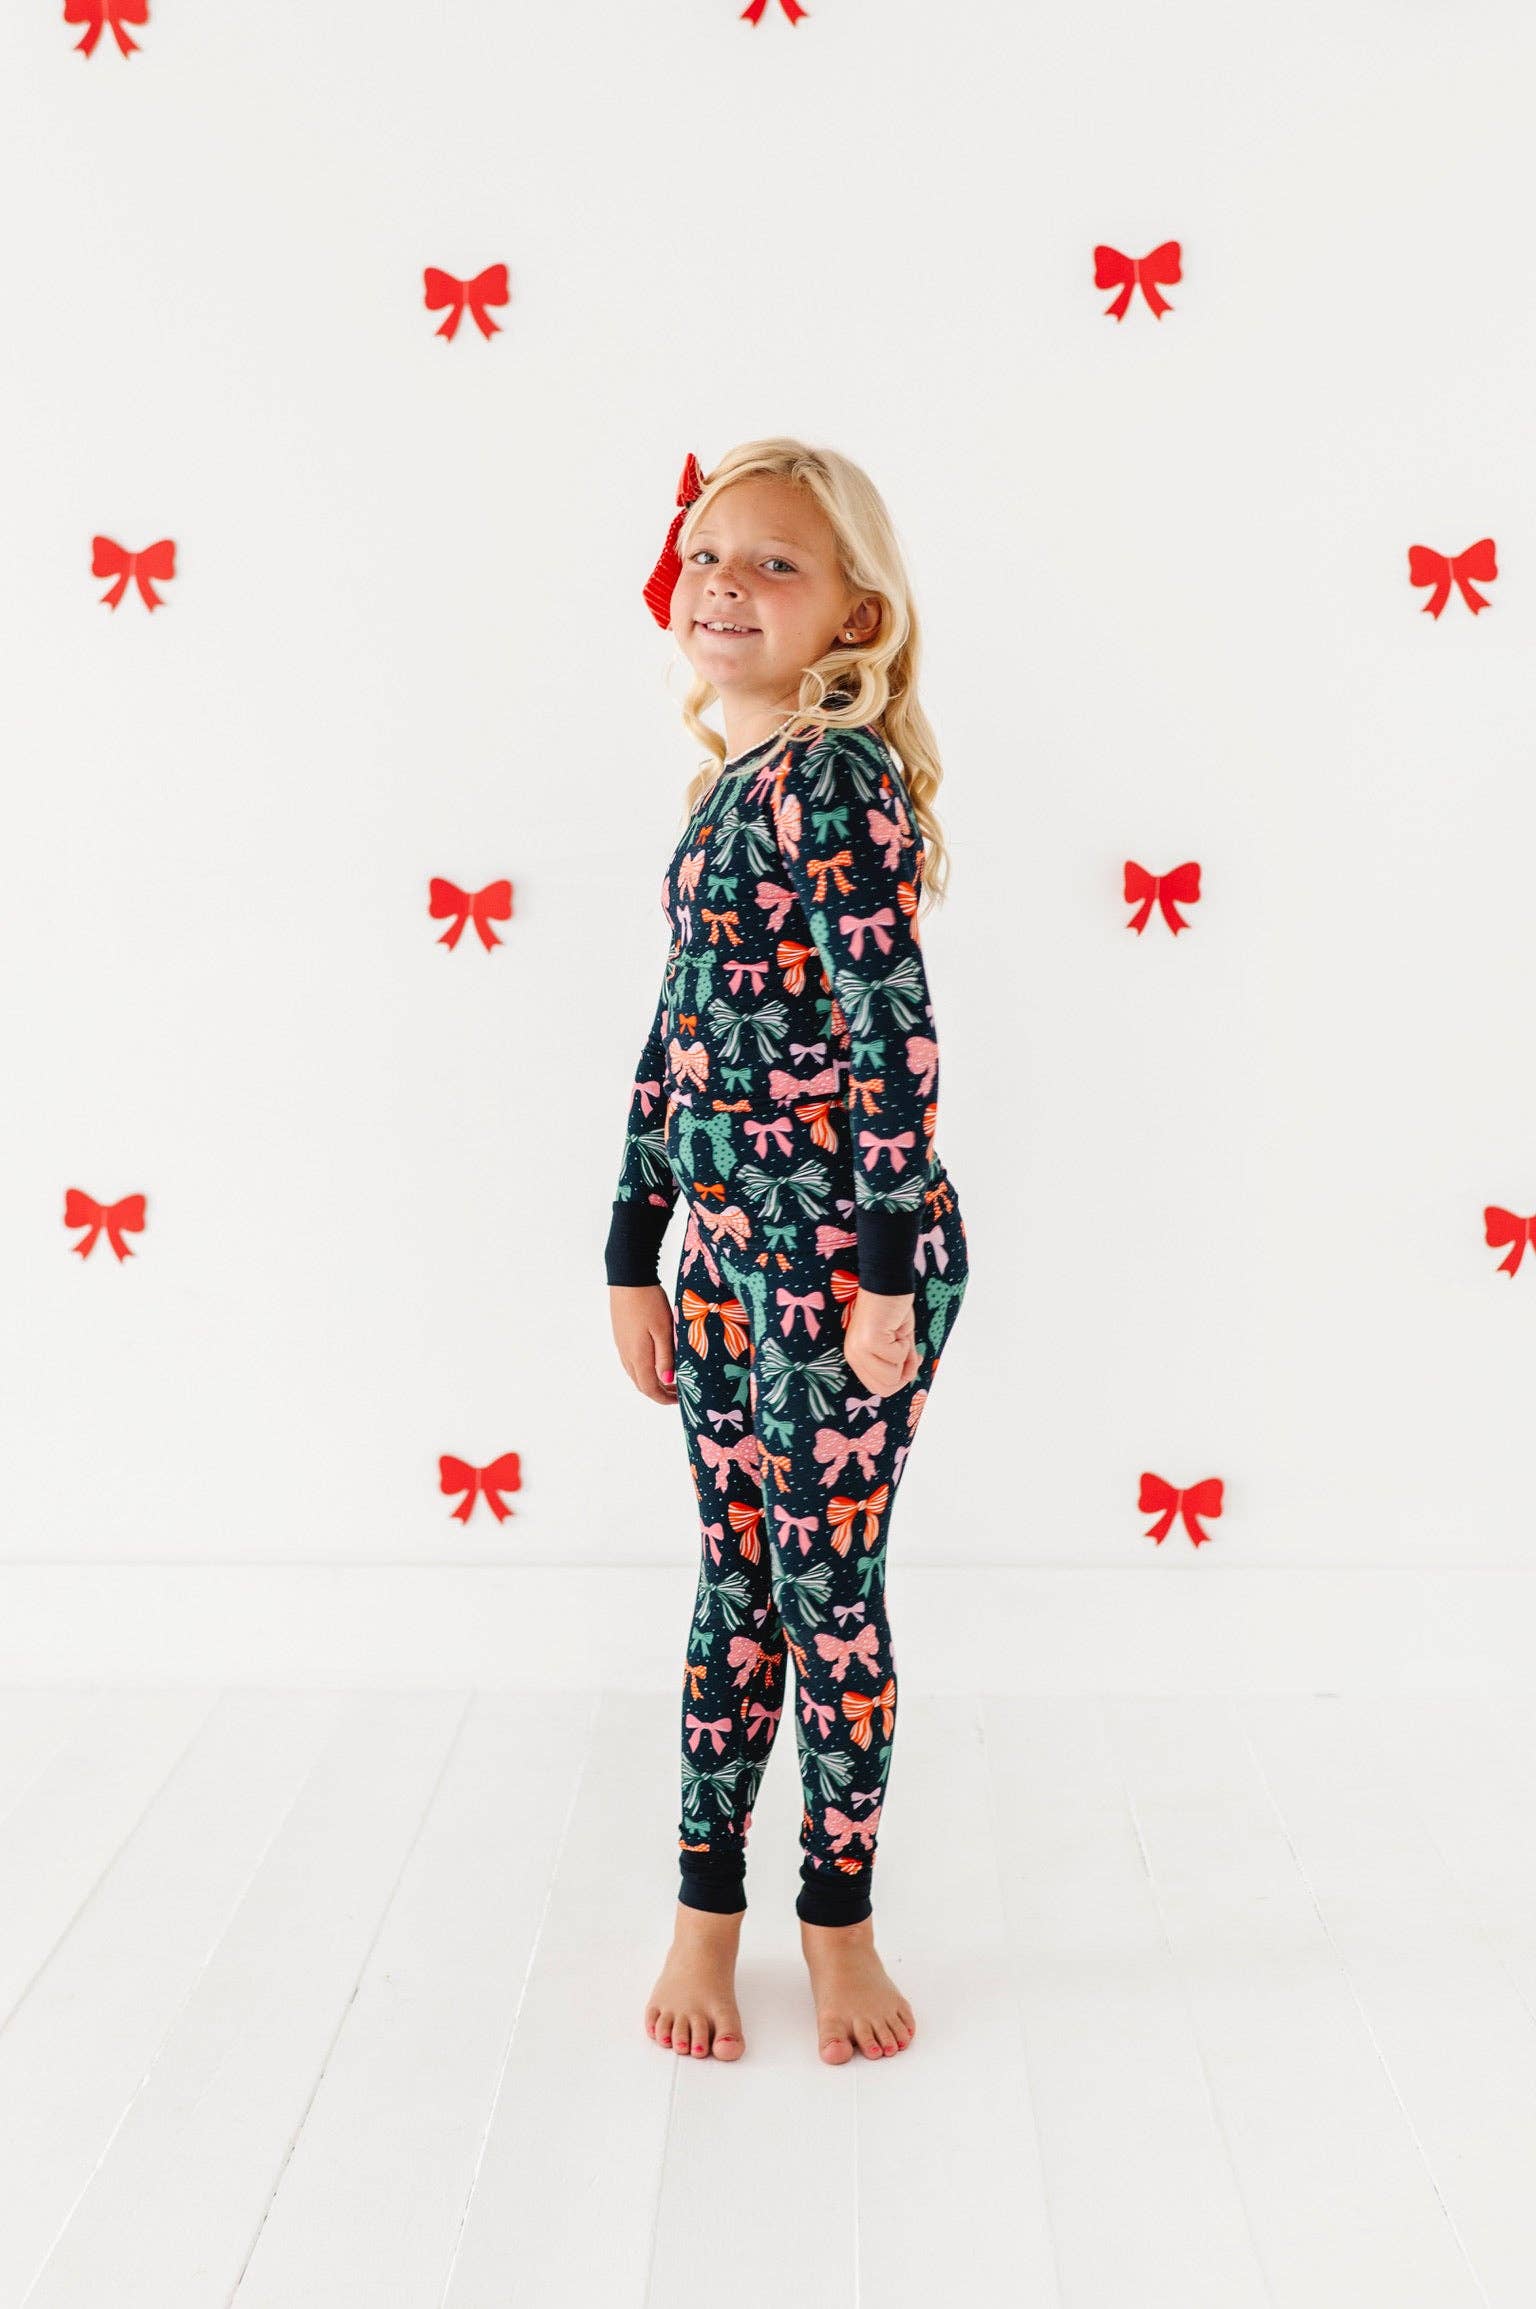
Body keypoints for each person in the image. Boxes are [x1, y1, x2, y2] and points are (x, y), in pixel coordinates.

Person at [604, 439, 970, 2066]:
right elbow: (677, 1040)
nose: (727, 585)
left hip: (843, 1266)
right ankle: (705, 1910)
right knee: (734, 1583)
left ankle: (839, 1923)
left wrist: (883, 1274)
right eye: (708, 555)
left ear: (853, 615)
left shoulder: (836, 781)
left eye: (775, 563)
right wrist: (635, 1247)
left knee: (824, 1594)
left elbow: (895, 1035)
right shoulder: (724, 796)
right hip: (731, 1265)